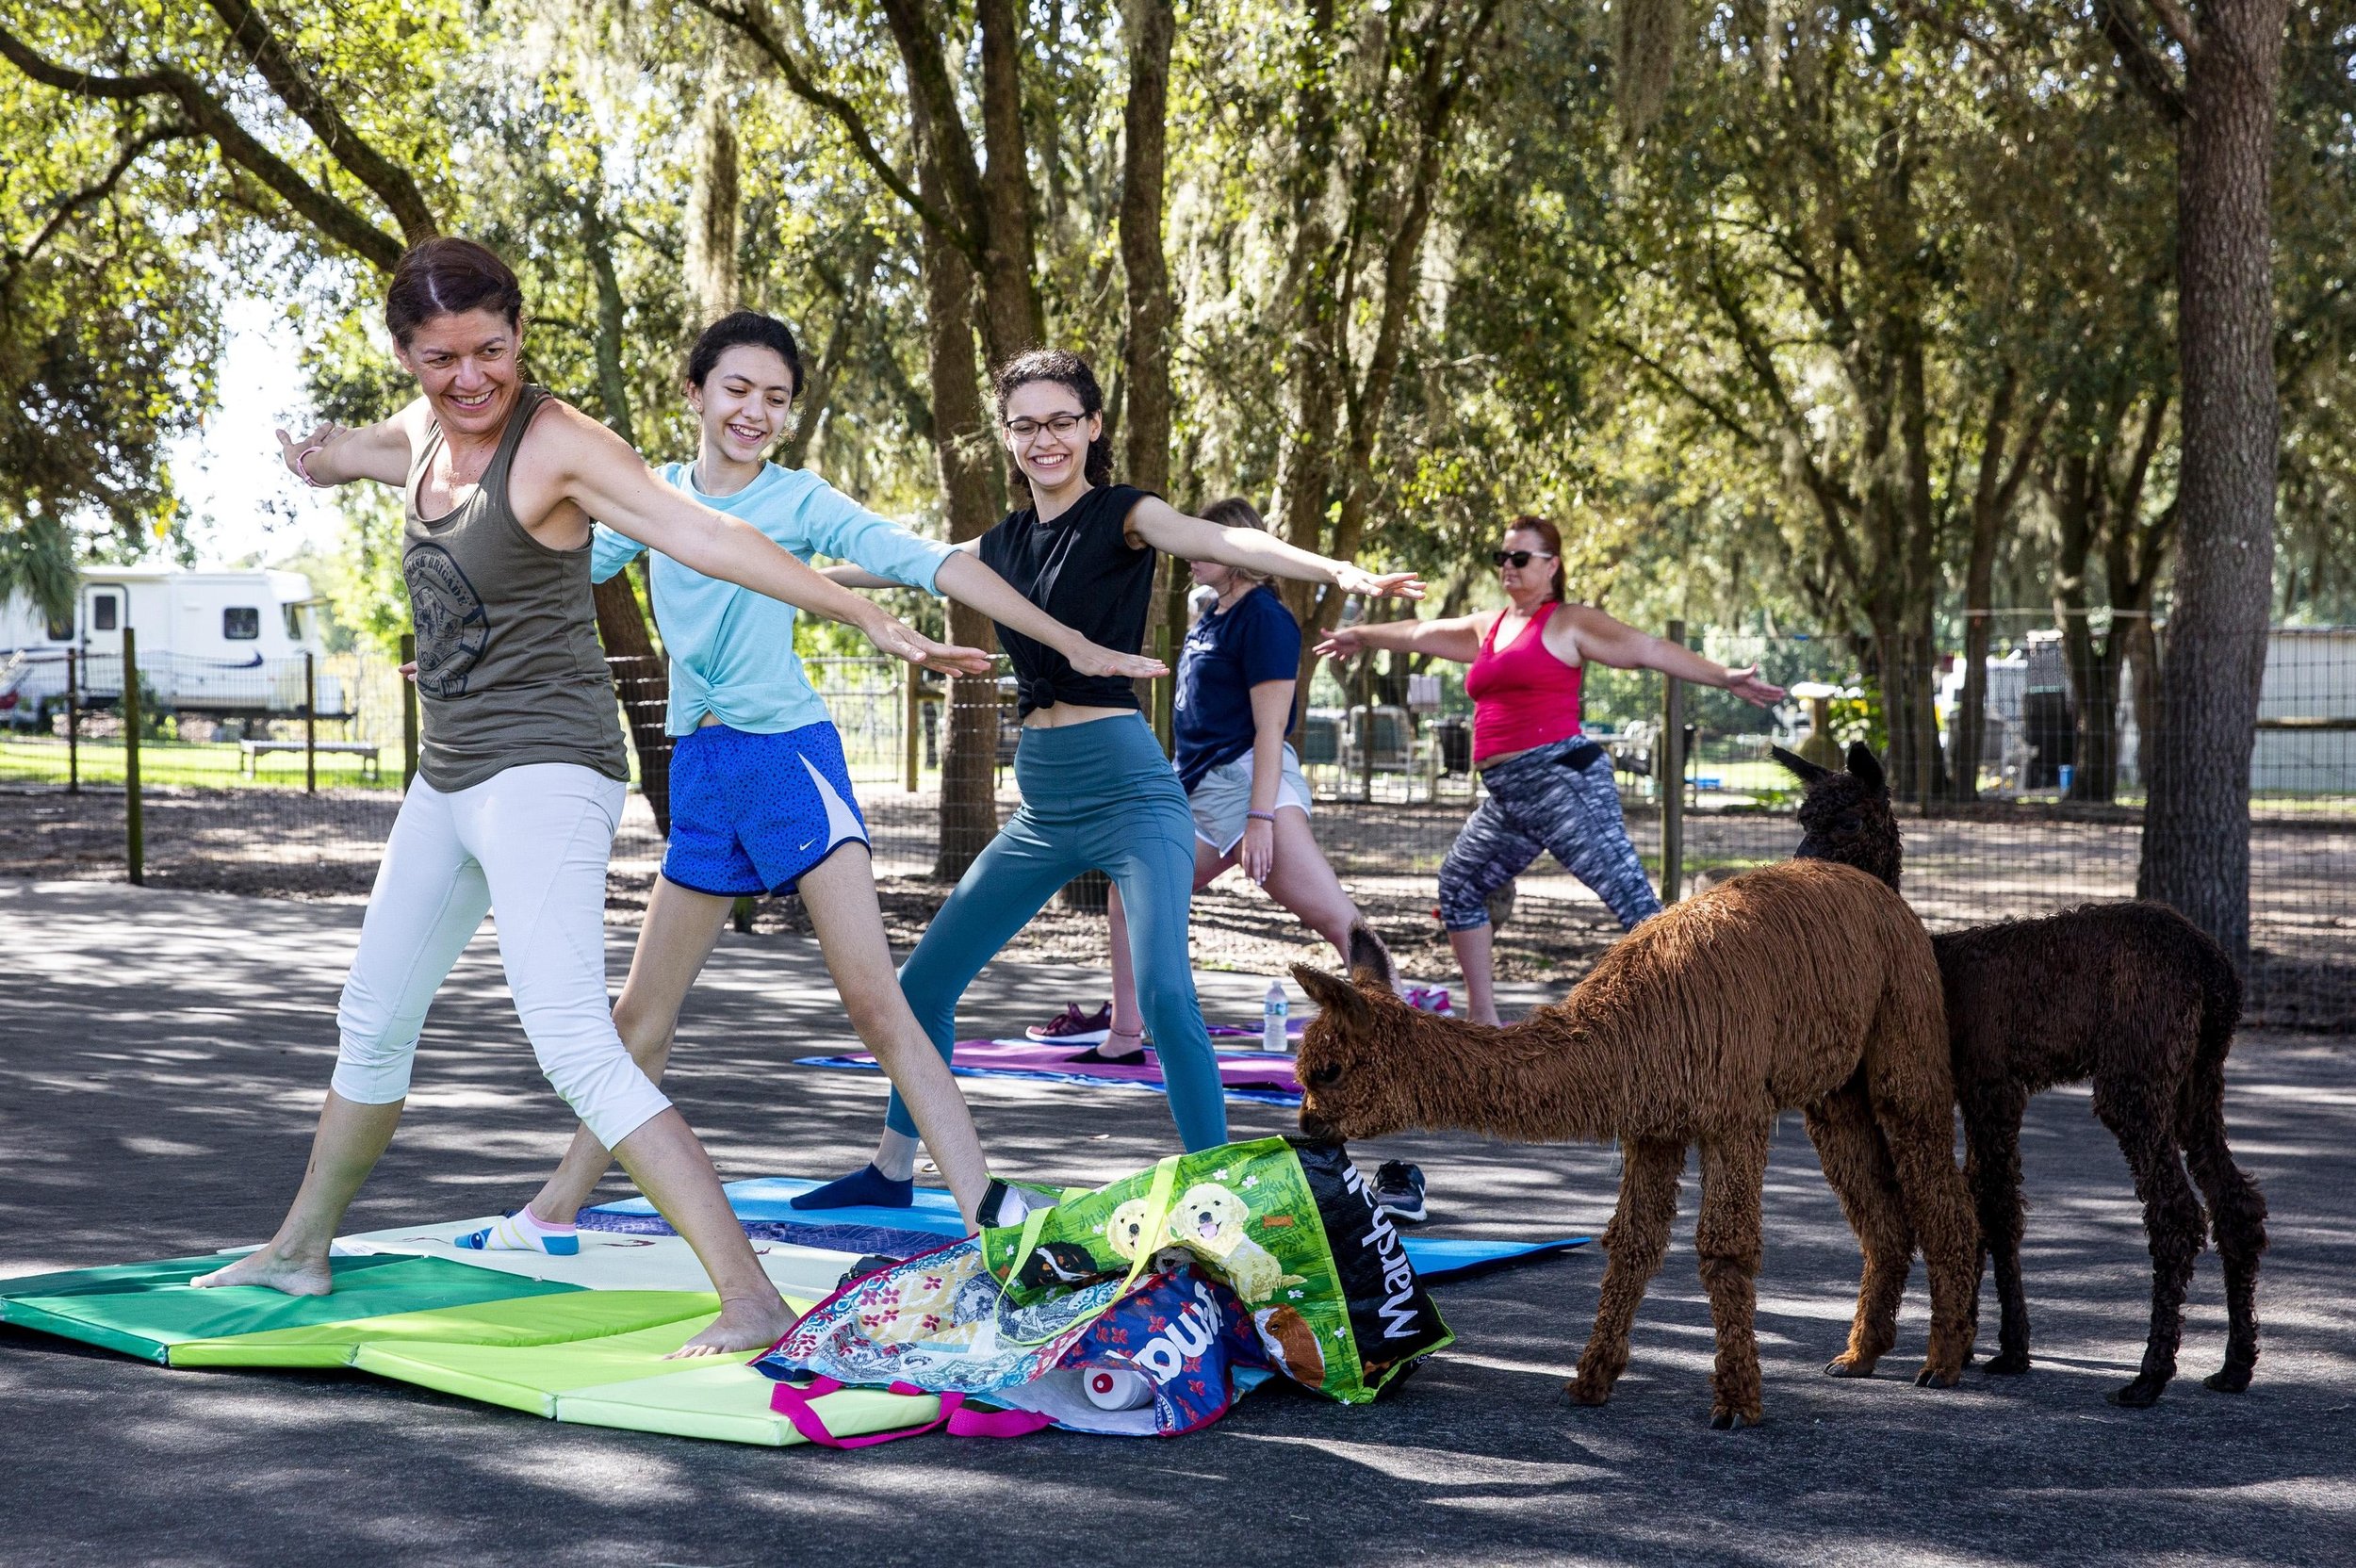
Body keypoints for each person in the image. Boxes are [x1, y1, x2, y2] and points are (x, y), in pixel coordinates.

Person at [192, 238, 987, 1357]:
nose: (469, 378)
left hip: (548, 771)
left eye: (491, 350)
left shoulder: (561, 442)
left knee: (575, 1034)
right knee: (371, 1016)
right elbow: (364, 449)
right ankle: (300, 1245)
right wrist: (314, 459)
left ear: (519, 331)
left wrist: (859, 613)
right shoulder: (420, 430)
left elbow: (707, 530)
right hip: (450, 772)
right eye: (439, 358)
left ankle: (749, 1295)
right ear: (407, 355)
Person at [473, 310, 1165, 1245]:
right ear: (696, 393)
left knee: (876, 1000)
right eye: (737, 390)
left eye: (775, 398)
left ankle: (984, 1204)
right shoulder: (652, 496)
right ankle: (554, 1206)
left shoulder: (798, 501)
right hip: (706, 769)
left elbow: (928, 561)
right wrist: (464, 650)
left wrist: (1070, 637)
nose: (754, 411)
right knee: (638, 1014)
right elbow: (544, 573)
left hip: (790, 755)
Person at [793, 350, 1423, 1212]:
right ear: (1006, 437)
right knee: (923, 985)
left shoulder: (1126, 515)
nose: (1043, 439)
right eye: (1025, 424)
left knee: (1166, 994)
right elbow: (882, 564)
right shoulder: (999, 544)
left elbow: (1220, 539)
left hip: (1132, 796)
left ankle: (1222, 1194)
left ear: (1093, 426)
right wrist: (742, 560)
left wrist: (1333, 569)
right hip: (1045, 804)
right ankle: (894, 1168)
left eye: (1061, 420)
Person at [1316, 514, 1784, 1026]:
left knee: (1636, 906)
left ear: (1552, 564)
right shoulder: (1489, 626)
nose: (1508, 567)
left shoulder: (1567, 622)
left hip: (1562, 780)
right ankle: (1484, 1023)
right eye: (1503, 558)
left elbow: (1648, 648)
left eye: (1521, 558)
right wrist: (1360, 634)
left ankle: (1732, 1017)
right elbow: (1420, 631)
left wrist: (1725, 678)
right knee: (1461, 883)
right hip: (1510, 793)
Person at [1034, 498, 1398, 1066]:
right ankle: (1126, 1036)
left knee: (1335, 919)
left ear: (1239, 551)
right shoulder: (1213, 613)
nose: (1189, 553)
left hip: (1252, 785)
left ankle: (1395, 1042)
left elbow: (1272, 727)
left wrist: (1260, 819)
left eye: (1205, 543)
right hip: (1199, 790)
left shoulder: (1267, 619)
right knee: (1129, 895)